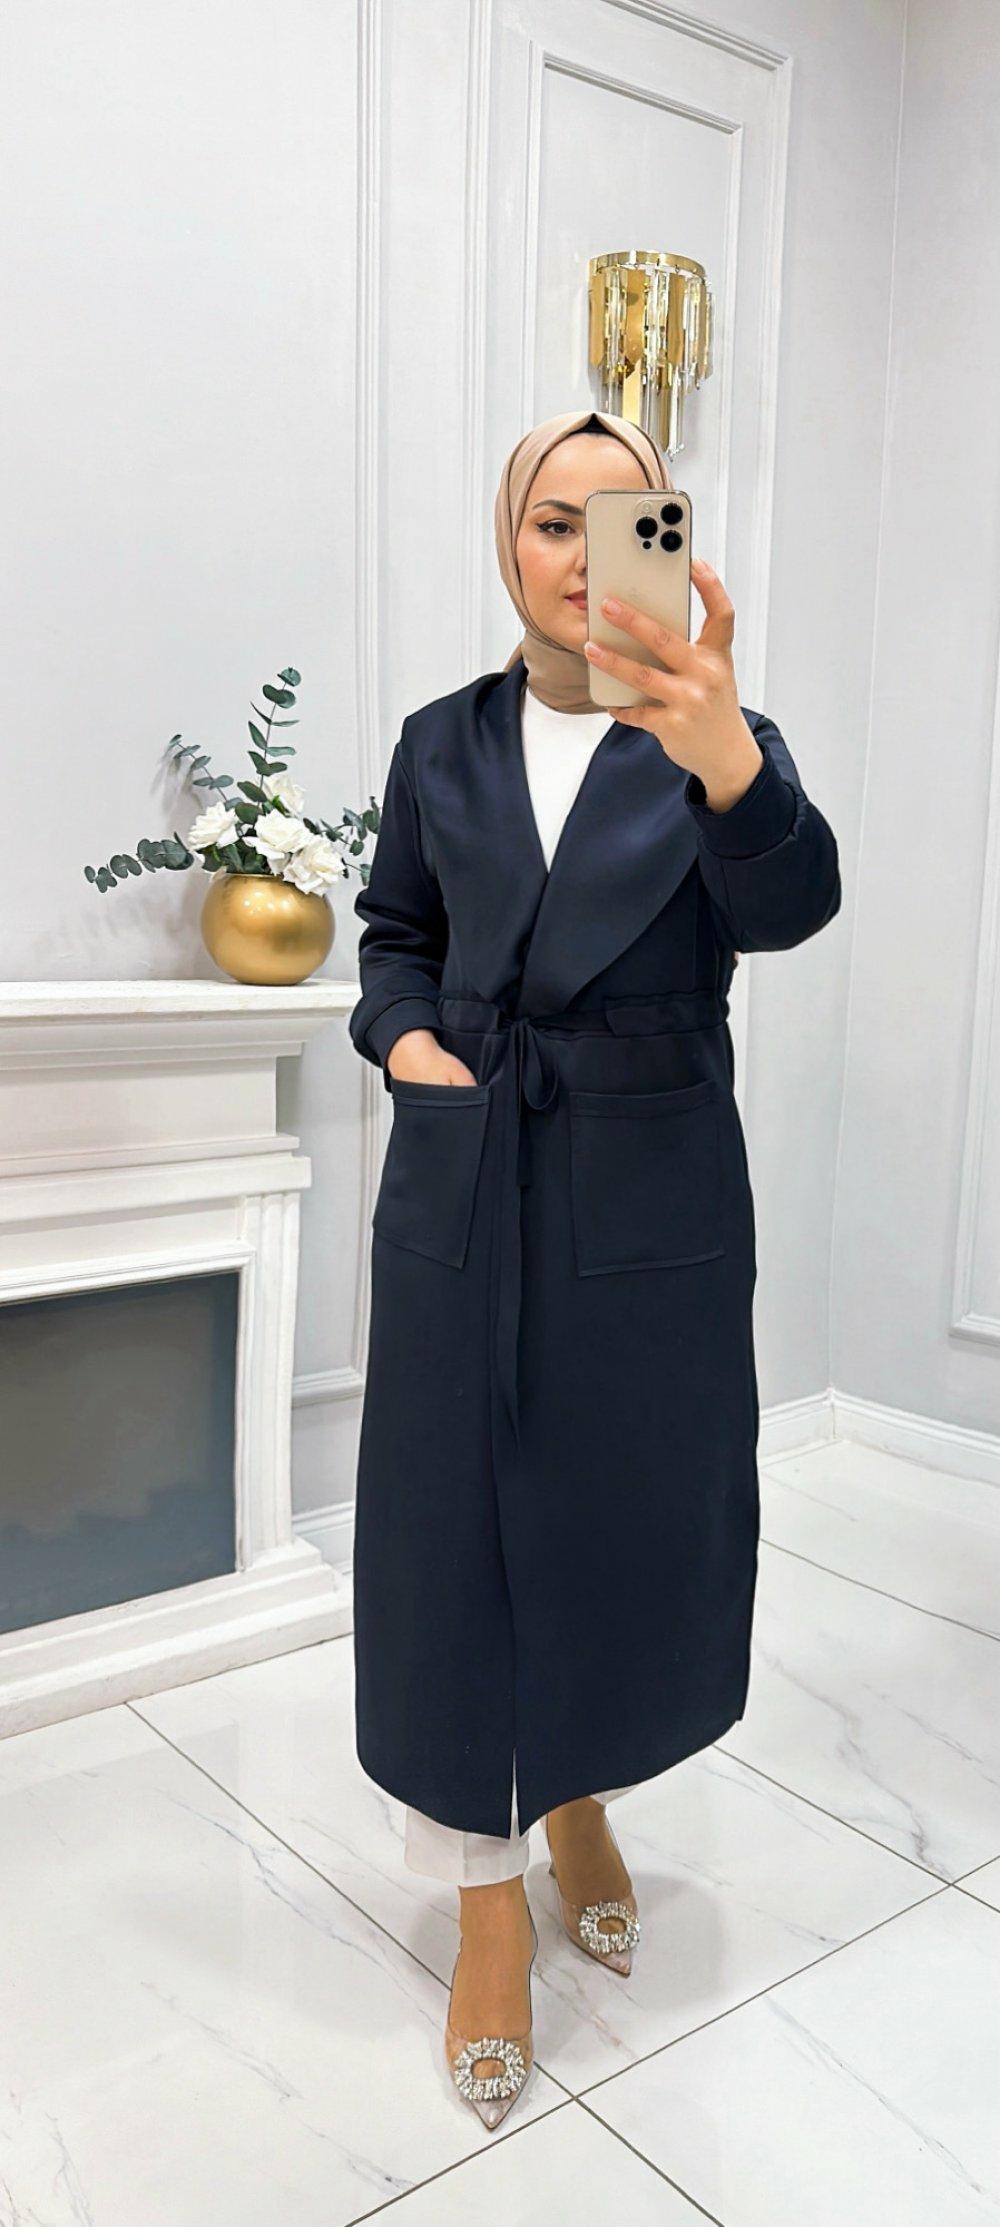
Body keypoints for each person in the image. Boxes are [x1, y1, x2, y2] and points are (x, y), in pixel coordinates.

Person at [348, 407, 841, 2128]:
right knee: (452, 1541)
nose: (581, 553)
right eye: (552, 520)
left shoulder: (714, 731)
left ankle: (578, 1799)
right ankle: (487, 1899)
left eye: (623, 519)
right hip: (472, 1163)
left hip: (651, 1192)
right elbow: (394, 937)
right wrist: (411, 1045)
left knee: (621, 1517)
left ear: (667, 539)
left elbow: (789, 911)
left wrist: (727, 764)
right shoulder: (442, 743)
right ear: (510, 541)